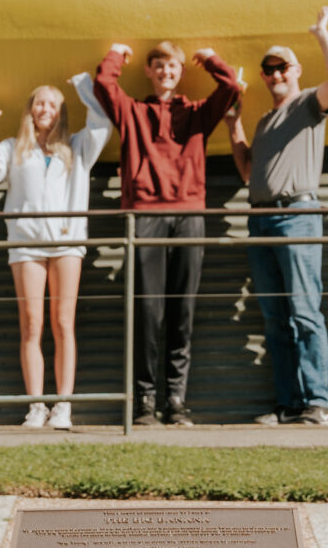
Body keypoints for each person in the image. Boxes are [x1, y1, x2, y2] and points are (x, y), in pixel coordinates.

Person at [94, 40, 242, 426]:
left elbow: (231, 88)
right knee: (148, 310)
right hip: (146, 215)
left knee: (183, 310)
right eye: (159, 65)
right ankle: (144, 401)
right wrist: (116, 54)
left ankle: (175, 400)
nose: (165, 72)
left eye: (172, 66)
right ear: (149, 71)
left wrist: (211, 60)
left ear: (181, 72)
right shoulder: (132, 112)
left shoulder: (197, 113)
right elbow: (104, 85)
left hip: (189, 214)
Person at [0, 75, 111, 429]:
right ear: (30, 109)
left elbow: (103, 123)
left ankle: (63, 405)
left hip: (67, 243)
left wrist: (84, 85)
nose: (45, 109)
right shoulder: (14, 148)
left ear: (61, 112)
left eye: (53, 104)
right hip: (26, 245)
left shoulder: (78, 146)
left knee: (63, 323)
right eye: (40, 102)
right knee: (31, 324)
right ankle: (36, 406)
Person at [224, 6, 328, 427]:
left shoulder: (308, 104)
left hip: (297, 215)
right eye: (269, 69)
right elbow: (247, 172)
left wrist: (321, 33)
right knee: (275, 318)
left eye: (282, 67)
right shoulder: (264, 122)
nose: (275, 74)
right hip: (260, 220)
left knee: (305, 312)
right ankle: (290, 404)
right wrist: (234, 124)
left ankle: (320, 404)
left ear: (296, 71)